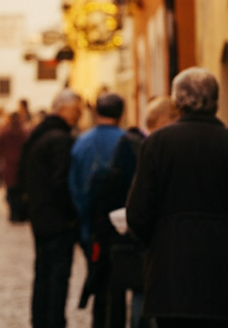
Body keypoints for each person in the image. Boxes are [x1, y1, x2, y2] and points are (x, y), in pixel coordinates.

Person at [126, 68, 228, 328]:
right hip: (218, 270)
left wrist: (161, 237)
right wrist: (224, 234)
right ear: (216, 101)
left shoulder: (156, 144)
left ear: (177, 102)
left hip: (169, 268)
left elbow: (137, 213)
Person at [85, 96, 176, 328]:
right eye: (175, 119)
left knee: (143, 292)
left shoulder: (132, 142)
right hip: (138, 234)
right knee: (141, 292)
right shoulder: (136, 144)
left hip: (143, 232)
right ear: (165, 119)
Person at [18, 89, 83, 328]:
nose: (79, 115)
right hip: (56, 220)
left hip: (40, 216)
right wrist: (71, 215)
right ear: (64, 109)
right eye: (77, 110)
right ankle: (53, 321)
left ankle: (40, 320)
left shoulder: (40, 135)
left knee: (43, 272)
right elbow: (60, 182)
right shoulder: (59, 139)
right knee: (57, 276)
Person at [69, 94, 127, 326]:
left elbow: (74, 187)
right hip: (121, 228)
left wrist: (84, 217)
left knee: (97, 277)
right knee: (119, 283)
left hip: (91, 227)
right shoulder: (126, 141)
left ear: (96, 113)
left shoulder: (82, 142)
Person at [0, 110, 29, 223]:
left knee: (11, 192)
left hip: (9, 166)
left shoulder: (5, 132)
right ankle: (20, 214)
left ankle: (13, 214)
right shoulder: (24, 132)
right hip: (22, 166)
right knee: (21, 192)